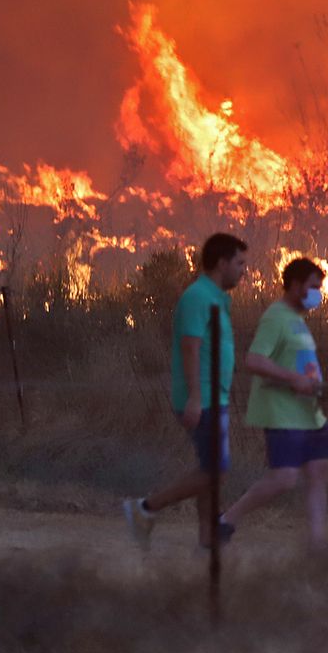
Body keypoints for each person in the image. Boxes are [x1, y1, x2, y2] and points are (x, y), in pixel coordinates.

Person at [123, 233, 248, 549]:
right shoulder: (197, 297)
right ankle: (145, 508)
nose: (244, 271)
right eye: (239, 263)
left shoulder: (217, 298)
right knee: (215, 471)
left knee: (210, 469)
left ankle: (206, 538)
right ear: (222, 263)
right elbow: (189, 346)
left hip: (214, 397)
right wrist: (195, 397)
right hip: (201, 398)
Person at [219, 257, 328, 548]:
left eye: (319, 288)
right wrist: (293, 379)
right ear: (295, 285)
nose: (317, 294)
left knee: (318, 471)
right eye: (312, 287)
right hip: (283, 413)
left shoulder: (298, 320)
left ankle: (317, 544)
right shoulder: (275, 317)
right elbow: (254, 360)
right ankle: (226, 521)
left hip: (310, 413)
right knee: (284, 478)